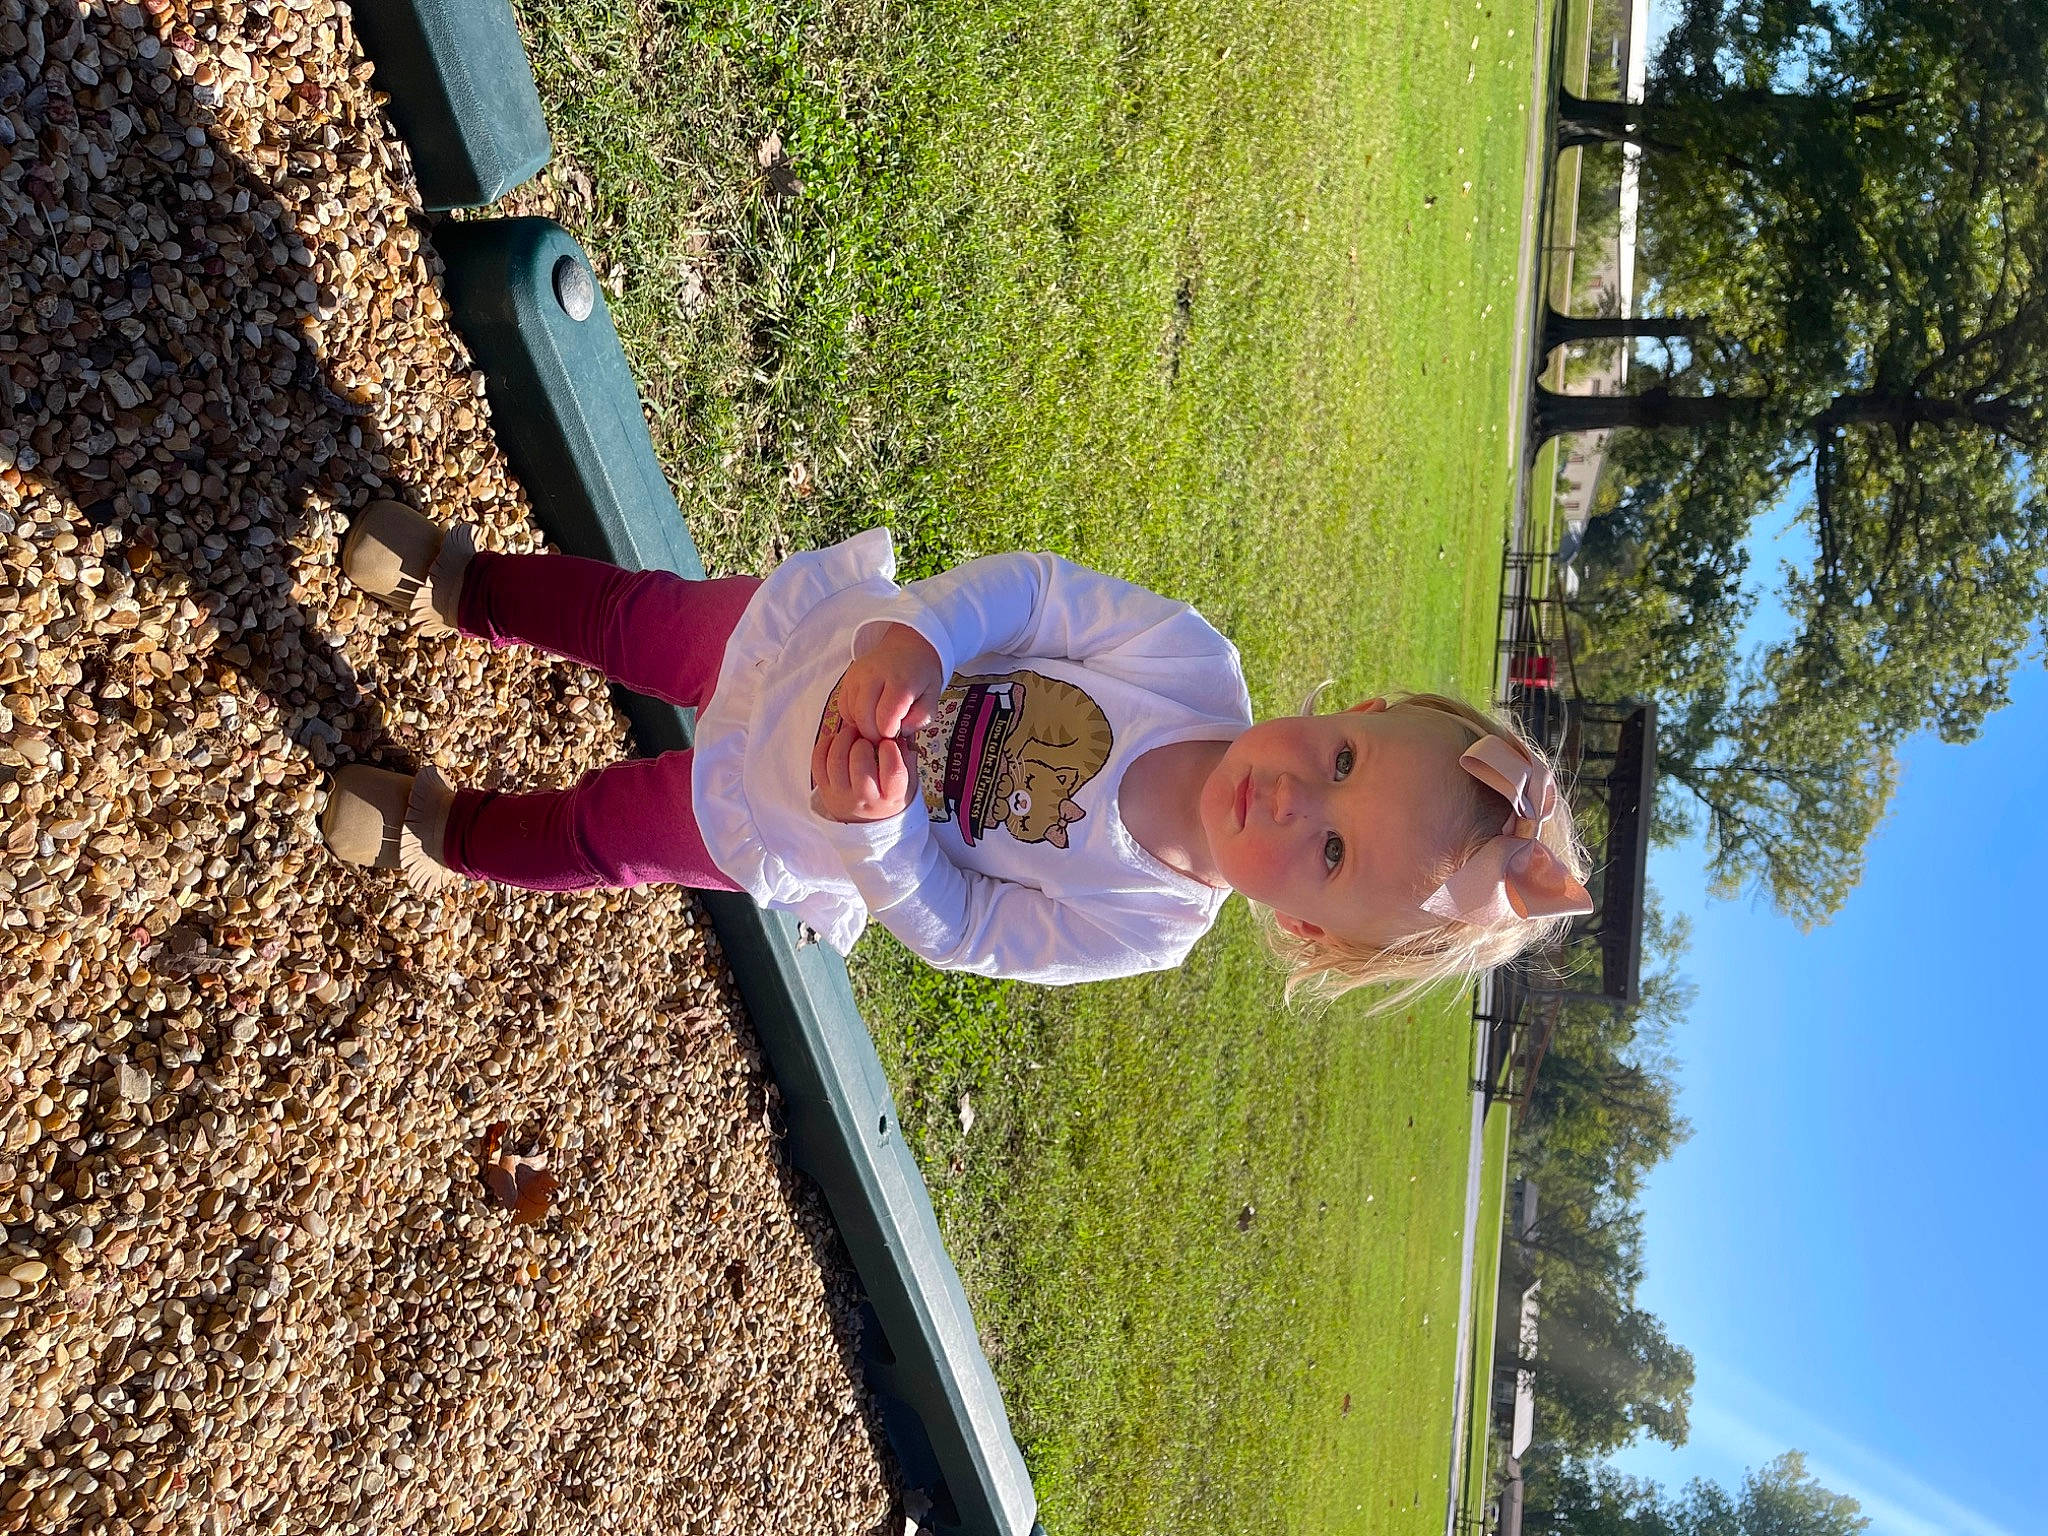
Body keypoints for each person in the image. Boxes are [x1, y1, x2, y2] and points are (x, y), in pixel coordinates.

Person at [321, 504, 1592, 997]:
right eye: (1347, 764)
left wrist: (877, 836)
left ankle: (455, 834)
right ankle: (464, 582)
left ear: (1306, 930)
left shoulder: (1141, 924)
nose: (1294, 791)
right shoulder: (1191, 666)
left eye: (1325, 849)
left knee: (616, 832)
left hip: (800, 815)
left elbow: (968, 929)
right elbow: (1035, 594)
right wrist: (925, 642)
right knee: (636, 618)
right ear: (1358, 708)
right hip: (821, 651)